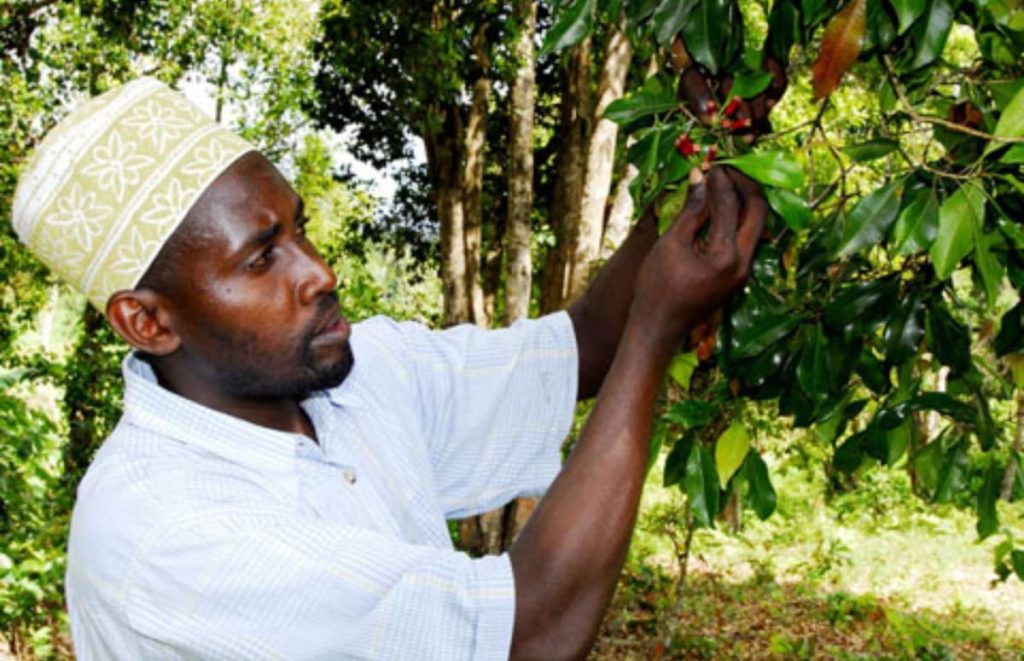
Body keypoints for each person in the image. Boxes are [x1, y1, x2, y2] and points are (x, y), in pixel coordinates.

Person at [13, 76, 767, 659]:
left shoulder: (359, 375)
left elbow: (580, 349)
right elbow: (528, 630)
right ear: (147, 321)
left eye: (299, 230)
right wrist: (658, 326)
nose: (318, 271)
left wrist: (699, 161)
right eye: (260, 257)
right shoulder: (164, 533)